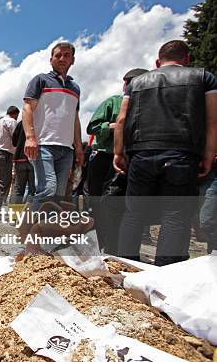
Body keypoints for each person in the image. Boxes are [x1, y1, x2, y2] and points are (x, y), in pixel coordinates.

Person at [114, 40, 217, 266]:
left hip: (141, 153)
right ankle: (165, 275)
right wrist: (208, 155)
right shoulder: (203, 78)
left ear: (157, 62)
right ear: (187, 59)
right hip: (181, 153)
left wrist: (118, 152)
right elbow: (212, 121)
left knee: (134, 213)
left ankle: (123, 268)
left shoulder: (137, 83)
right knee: (176, 215)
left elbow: (121, 120)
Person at [86, 68, 147, 251]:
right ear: (125, 85)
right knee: (97, 201)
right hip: (104, 157)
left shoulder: (149, 105)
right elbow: (93, 127)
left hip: (131, 159)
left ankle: (115, 246)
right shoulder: (113, 102)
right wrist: (115, 126)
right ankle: (100, 242)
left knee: (120, 204)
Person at [23, 42, 84, 209]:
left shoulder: (75, 88)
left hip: (66, 149)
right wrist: (30, 137)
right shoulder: (41, 80)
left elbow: (75, 119)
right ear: (51, 60)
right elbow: (27, 108)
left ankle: (47, 232)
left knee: (58, 193)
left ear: (72, 60)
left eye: (66, 55)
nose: (62, 58)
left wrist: (78, 147)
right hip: (43, 145)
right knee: (47, 189)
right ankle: (33, 231)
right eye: (58, 55)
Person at [0, 106, 19, 211]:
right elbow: (16, 138)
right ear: (16, 114)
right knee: (3, 182)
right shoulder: (12, 121)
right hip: (4, 153)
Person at [11, 119, 35, 204]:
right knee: (33, 189)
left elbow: (14, 142)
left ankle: (15, 215)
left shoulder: (21, 123)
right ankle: (30, 214)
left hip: (20, 159)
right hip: (34, 158)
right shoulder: (40, 121)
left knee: (18, 189)